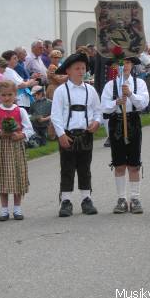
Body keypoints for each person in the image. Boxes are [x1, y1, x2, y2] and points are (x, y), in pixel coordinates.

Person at [51, 52, 102, 217]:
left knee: (84, 167)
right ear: (68, 71)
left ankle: (86, 198)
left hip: (85, 134)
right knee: (67, 168)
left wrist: (96, 122)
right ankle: (65, 200)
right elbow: (56, 115)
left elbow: (97, 111)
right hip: (68, 135)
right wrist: (60, 134)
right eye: (77, 68)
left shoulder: (90, 90)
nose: (81, 71)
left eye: (83, 68)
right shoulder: (61, 91)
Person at [101, 57, 149, 213]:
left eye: (128, 63)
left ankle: (135, 198)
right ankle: (121, 198)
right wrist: (116, 102)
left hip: (133, 121)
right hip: (117, 122)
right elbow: (104, 107)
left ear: (132, 65)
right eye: (121, 63)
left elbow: (143, 103)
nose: (125, 66)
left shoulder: (139, 83)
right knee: (119, 163)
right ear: (115, 66)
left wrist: (130, 95)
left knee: (134, 163)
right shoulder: (110, 85)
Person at [0, 81, 34, 221]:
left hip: (16, 146)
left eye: (10, 95)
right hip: (2, 148)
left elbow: (29, 129)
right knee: (3, 178)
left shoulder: (20, 111)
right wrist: (1, 133)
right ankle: (4, 210)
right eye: (3, 95)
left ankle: (17, 208)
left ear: (15, 95)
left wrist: (21, 135)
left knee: (18, 177)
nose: (7, 98)